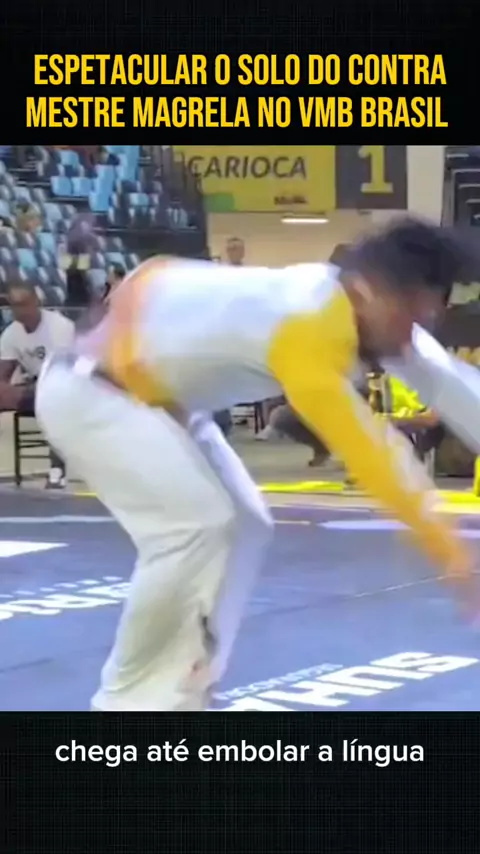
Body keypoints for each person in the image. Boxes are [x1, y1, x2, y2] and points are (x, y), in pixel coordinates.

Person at [35, 216, 480, 712]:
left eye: (426, 319)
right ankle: (129, 705)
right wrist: (454, 555)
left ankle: (188, 685)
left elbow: (454, 385)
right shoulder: (307, 326)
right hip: (87, 392)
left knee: (247, 521)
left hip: (161, 400)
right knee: (195, 526)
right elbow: (374, 454)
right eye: (411, 316)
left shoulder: (369, 313)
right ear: (370, 290)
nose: (412, 335)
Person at [0, 282, 74, 488]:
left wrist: (27, 389)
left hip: (68, 390)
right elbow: (3, 372)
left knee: (55, 399)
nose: (20, 310)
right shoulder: (11, 334)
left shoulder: (60, 327)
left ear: (36, 302)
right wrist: (5, 389)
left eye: (24, 304)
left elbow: (62, 373)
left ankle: (57, 472)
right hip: (34, 389)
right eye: (15, 305)